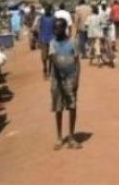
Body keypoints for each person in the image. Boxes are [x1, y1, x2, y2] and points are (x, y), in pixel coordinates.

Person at [49, 18, 81, 150]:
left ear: (64, 28)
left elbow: (77, 62)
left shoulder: (73, 42)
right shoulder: (53, 43)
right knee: (58, 108)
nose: (56, 31)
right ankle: (59, 137)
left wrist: (76, 79)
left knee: (72, 107)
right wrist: (60, 78)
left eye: (59, 28)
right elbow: (54, 60)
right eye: (55, 28)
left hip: (70, 79)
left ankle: (72, 137)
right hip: (57, 80)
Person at [35, 4, 55, 78]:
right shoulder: (50, 18)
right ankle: (46, 69)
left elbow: (39, 28)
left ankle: (47, 70)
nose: (46, 11)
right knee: (47, 56)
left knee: (48, 56)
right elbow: (39, 28)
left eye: (47, 9)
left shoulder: (44, 18)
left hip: (47, 39)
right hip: (47, 39)